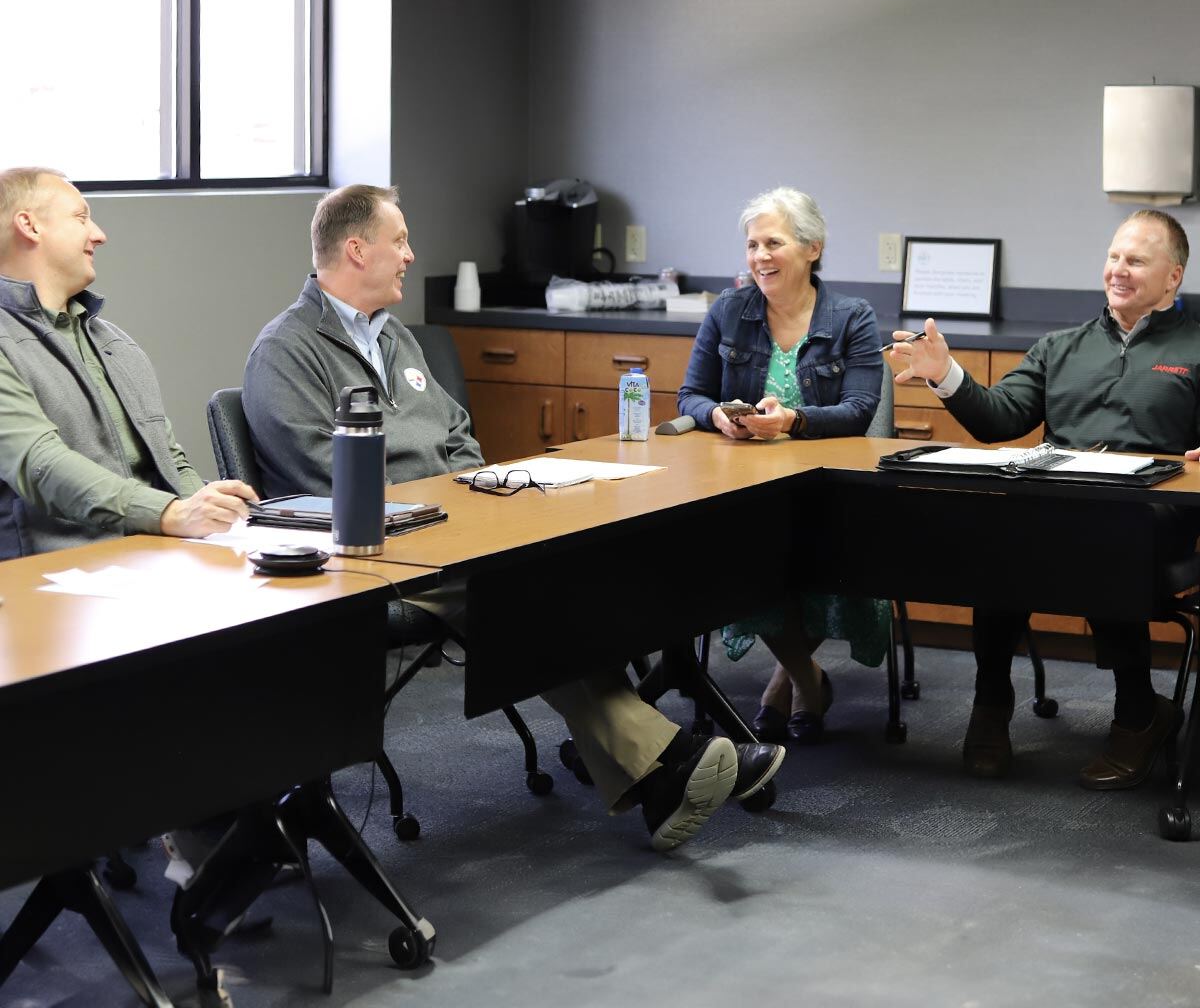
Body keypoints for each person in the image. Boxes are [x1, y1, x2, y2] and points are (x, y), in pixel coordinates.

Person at [241, 183, 784, 852]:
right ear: (356, 249)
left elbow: (458, 434)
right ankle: (663, 760)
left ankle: (653, 773)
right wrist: (447, 511)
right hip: (377, 554)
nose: (412, 256)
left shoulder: (397, 342)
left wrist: (481, 494)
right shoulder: (286, 350)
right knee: (522, 594)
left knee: (563, 565)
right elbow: (325, 475)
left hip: (456, 524)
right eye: (400, 241)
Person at [891, 208, 1200, 788]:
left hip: (1156, 518)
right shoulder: (1061, 347)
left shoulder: (1196, 347)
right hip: (1063, 506)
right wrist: (947, 374)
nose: (1118, 270)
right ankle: (991, 704)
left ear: (1173, 276)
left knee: (1106, 530)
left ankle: (1137, 715)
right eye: (1113, 256)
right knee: (1002, 526)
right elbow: (998, 418)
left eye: (1136, 260)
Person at [677, 187, 890, 745]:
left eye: (773, 243)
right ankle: (805, 678)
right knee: (749, 561)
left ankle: (782, 685)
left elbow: (860, 411)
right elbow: (689, 396)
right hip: (746, 485)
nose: (759, 257)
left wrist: (793, 420)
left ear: (812, 248)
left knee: (816, 557)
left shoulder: (852, 317)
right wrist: (717, 415)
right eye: (752, 245)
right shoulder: (728, 311)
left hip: (830, 488)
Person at [0, 166, 258, 558]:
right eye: (81, 217)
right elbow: (40, 465)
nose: (99, 235)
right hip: (54, 576)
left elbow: (169, 458)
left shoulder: (116, 344)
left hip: (152, 559)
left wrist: (218, 514)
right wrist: (171, 513)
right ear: (29, 225)